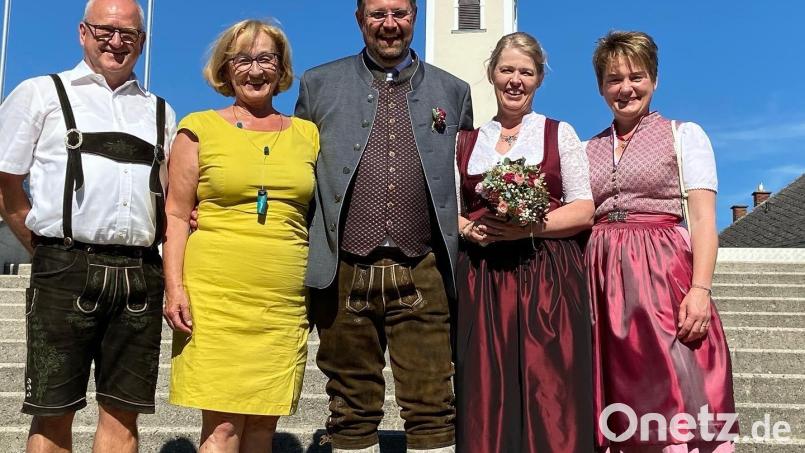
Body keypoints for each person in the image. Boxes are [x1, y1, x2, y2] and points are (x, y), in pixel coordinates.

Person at [294, 0, 473, 451]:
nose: (388, 25)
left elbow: (467, 176)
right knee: (350, 409)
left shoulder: (453, 90)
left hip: (424, 268)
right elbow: (294, 172)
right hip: (343, 269)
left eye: (399, 13)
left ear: (414, 17)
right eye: (377, 14)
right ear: (359, 19)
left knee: (433, 404)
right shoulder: (318, 84)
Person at [0, 0, 176, 452]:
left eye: (129, 35)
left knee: (124, 414)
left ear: (142, 41)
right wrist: (41, 248)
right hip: (65, 265)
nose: (117, 42)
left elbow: (171, 198)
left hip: (140, 273)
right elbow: (5, 182)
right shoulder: (41, 92)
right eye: (106, 31)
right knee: (52, 412)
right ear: (83, 33)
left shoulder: (161, 112)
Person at [162, 19, 318, 452]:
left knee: (265, 426)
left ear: (281, 67)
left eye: (266, 58)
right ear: (225, 69)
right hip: (217, 295)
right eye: (243, 59)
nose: (255, 70)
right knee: (223, 427)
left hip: (281, 300)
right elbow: (175, 215)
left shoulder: (308, 135)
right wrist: (174, 287)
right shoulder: (198, 129)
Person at [585, 31, 737, 453]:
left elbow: (704, 220)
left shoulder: (683, 135)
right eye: (614, 79)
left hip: (662, 273)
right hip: (600, 280)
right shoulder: (585, 148)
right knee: (615, 393)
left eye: (637, 76)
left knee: (672, 388)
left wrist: (700, 290)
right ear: (601, 87)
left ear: (654, 80)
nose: (626, 88)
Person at [453, 32, 595, 453]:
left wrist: (527, 228)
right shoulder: (466, 140)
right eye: (507, 70)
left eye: (526, 72)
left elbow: (583, 208)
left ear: (538, 80)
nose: (515, 80)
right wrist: (466, 228)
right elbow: (449, 207)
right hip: (484, 280)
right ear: (492, 74)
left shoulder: (558, 133)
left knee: (552, 389)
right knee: (485, 390)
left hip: (547, 275)